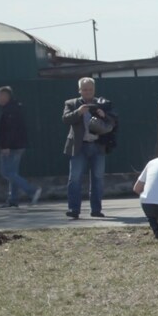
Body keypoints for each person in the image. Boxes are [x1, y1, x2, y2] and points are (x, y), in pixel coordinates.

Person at [61, 77, 116, 219]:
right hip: (79, 147)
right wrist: (79, 112)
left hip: (98, 146)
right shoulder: (71, 103)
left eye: (90, 89)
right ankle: (74, 209)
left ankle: (96, 210)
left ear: (94, 90)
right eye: (84, 89)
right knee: (74, 178)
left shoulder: (102, 103)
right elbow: (66, 119)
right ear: (79, 90)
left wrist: (105, 115)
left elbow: (113, 122)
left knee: (98, 178)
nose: (88, 92)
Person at [0, 86, 41, 208]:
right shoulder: (11, 108)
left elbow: (11, 130)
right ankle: (13, 200)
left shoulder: (10, 110)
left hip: (12, 146)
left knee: (6, 172)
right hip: (16, 145)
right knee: (13, 173)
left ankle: (32, 190)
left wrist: (6, 146)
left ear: (5, 96)